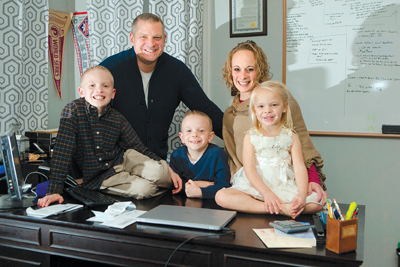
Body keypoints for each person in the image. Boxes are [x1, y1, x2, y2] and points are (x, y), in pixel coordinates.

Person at [37, 65, 173, 207]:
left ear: (113, 93)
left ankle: (176, 182)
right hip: (101, 176)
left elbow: (138, 147)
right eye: (92, 85)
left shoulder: (117, 117)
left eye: (105, 86)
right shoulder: (73, 111)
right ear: (81, 92)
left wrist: (167, 169)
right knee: (145, 189)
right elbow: (62, 151)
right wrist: (54, 190)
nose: (99, 90)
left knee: (162, 173)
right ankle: (153, 184)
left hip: (123, 158)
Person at [100, 13, 223, 161]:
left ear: (165, 40)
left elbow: (206, 109)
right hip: (115, 161)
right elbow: (86, 116)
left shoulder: (177, 71)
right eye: (143, 37)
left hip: (156, 161)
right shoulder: (109, 70)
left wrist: (244, 140)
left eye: (157, 37)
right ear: (132, 39)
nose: (151, 44)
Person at [220, 40, 327, 202]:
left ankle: (283, 206)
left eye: (250, 69)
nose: (243, 76)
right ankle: (274, 207)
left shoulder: (279, 100)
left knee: (316, 201)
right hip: (252, 186)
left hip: (284, 181)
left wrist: (313, 179)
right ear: (230, 72)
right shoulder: (229, 115)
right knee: (223, 197)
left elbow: (303, 140)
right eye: (237, 69)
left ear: (259, 70)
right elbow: (234, 160)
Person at [216, 81, 325, 218]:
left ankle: (280, 205)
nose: (267, 110)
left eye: (274, 105)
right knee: (221, 196)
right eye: (261, 106)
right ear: (255, 111)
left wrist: (302, 196)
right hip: (257, 187)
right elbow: (249, 170)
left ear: (284, 107)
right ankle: (279, 208)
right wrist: (267, 193)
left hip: (283, 186)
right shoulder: (250, 137)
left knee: (318, 202)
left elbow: (299, 168)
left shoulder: (291, 136)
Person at [169, 111, 231, 199]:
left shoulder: (218, 154)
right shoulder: (176, 156)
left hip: (213, 204)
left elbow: (225, 186)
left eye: (201, 130)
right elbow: (176, 185)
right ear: (182, 137)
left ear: (210, 136)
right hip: (184, 203)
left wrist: (200, 191)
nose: (194, 134)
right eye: (189, 131)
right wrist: (205, 184)